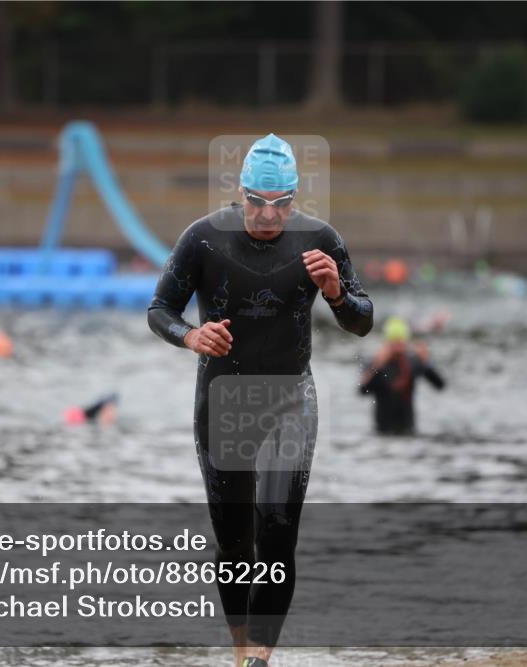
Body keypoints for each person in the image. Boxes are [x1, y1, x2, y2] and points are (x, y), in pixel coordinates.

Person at [148, 133, 373, 667]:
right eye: (256, 202)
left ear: (294, 199)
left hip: (291, 400)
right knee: (234, 543)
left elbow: (362, 321)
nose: (267, 215)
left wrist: (338, 293)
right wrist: (191, 336)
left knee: (276, 533)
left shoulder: (320, 239)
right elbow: (160, 308)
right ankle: (240, 647)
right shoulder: (203, 239)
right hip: (222, 402)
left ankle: (260, 658)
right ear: (241, 192)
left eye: (280, 204)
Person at [359, 317, 445, 435]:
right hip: (382, 432)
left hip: (408, 430)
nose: (398, 347)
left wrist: (426, 362)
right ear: (387, 343)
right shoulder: (376, 363)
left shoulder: (412, 362)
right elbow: (362, 390)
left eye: (401, 342)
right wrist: (378, 365)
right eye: (394, 343)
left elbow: (440, 385)